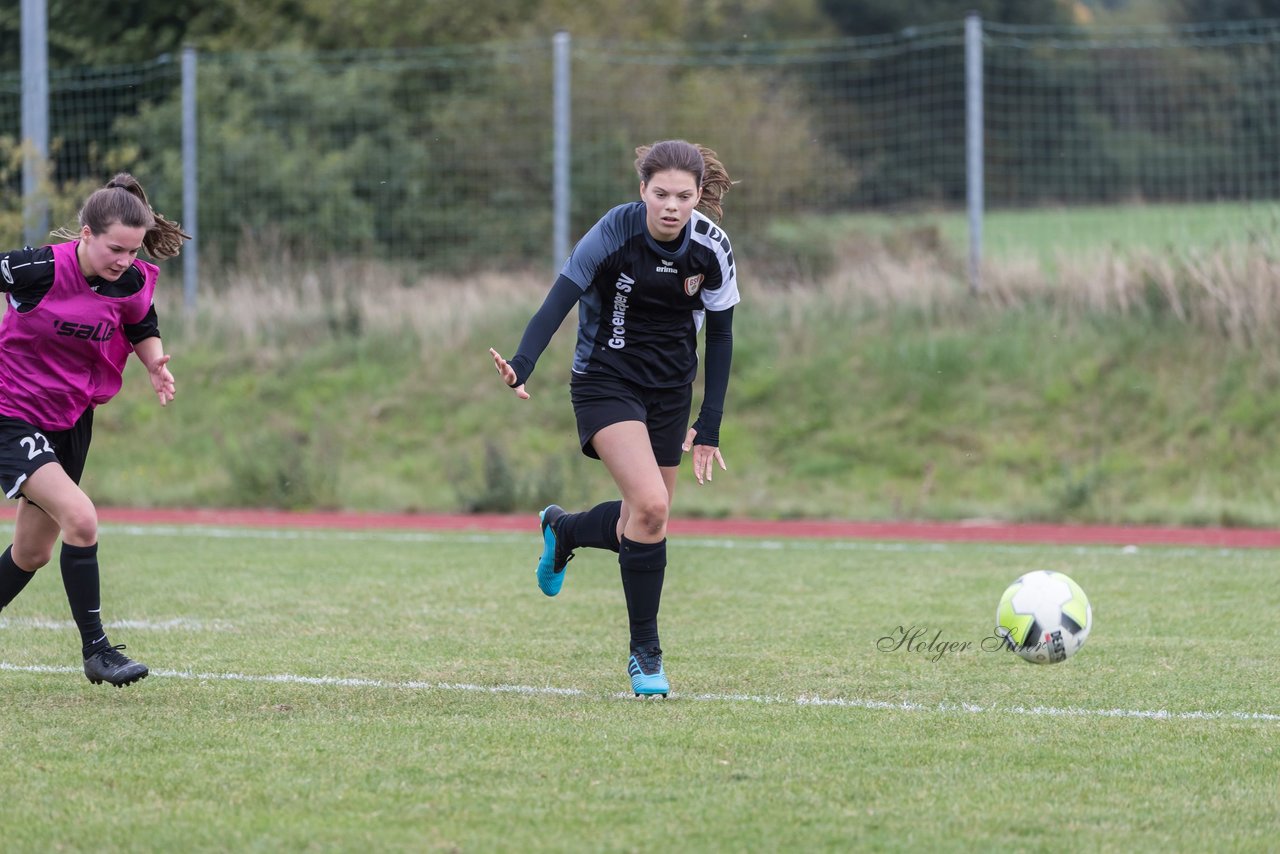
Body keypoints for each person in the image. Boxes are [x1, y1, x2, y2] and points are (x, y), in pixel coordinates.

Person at [490, 140, 739, 698]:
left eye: (683, 196)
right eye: (660, 194)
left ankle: (565, 529)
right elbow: (561, 298)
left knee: (645, 520)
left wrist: (711, 420)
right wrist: (523, 363)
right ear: (642, 192)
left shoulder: (712, 249)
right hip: (606, 381)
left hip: (671, 391)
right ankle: (645, 655)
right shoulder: (613, 232)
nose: (671, 206)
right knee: (652, 507)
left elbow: (721, 335)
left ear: (700, 196)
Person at [0, 172, 189, 687]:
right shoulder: (36, 268)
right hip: (11, 412)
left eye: (133, 250)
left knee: (32, 553)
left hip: (71, 419)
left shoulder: (127, 280)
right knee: (82, 520)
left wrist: (153, 363)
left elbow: (139, 321)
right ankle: (98, 653)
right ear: (85, 234)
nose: (125, 261)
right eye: (115, 249)